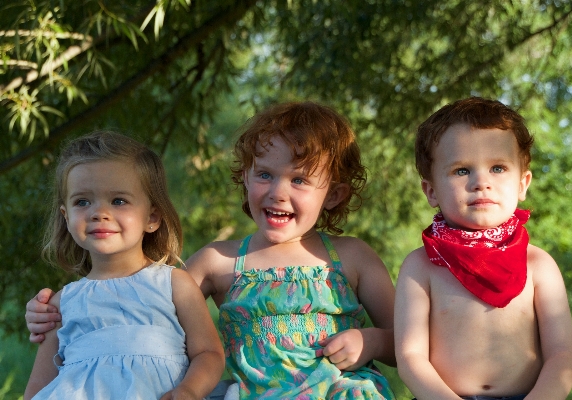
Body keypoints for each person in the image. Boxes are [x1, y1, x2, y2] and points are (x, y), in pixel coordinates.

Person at [26, 102, 397, 399]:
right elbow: (141, 302)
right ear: (246, 178)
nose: (277, 192)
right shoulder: (219, 261)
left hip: (340, 392)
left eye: (299, 179)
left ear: (334, 194)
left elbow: (409, 344)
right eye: (264, 174)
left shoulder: (351, 257)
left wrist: (372, 340)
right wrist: (50, 311)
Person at [394, 97, 572, 400]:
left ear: (522, 183)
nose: (481, 182)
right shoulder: (421, 266)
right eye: (462, 171)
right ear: (431, 190)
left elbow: (562, 356)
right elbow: (411, 357)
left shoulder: (538, 265)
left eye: (497, 167)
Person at [24, 131, 224, 400]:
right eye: (82, 202)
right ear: (66, 216)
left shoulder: (173, 284)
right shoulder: (60, 304)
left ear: (152, 217)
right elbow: (37, 390)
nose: (99, 213)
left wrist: (188, 391)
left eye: (119, 201)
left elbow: (208, 353)